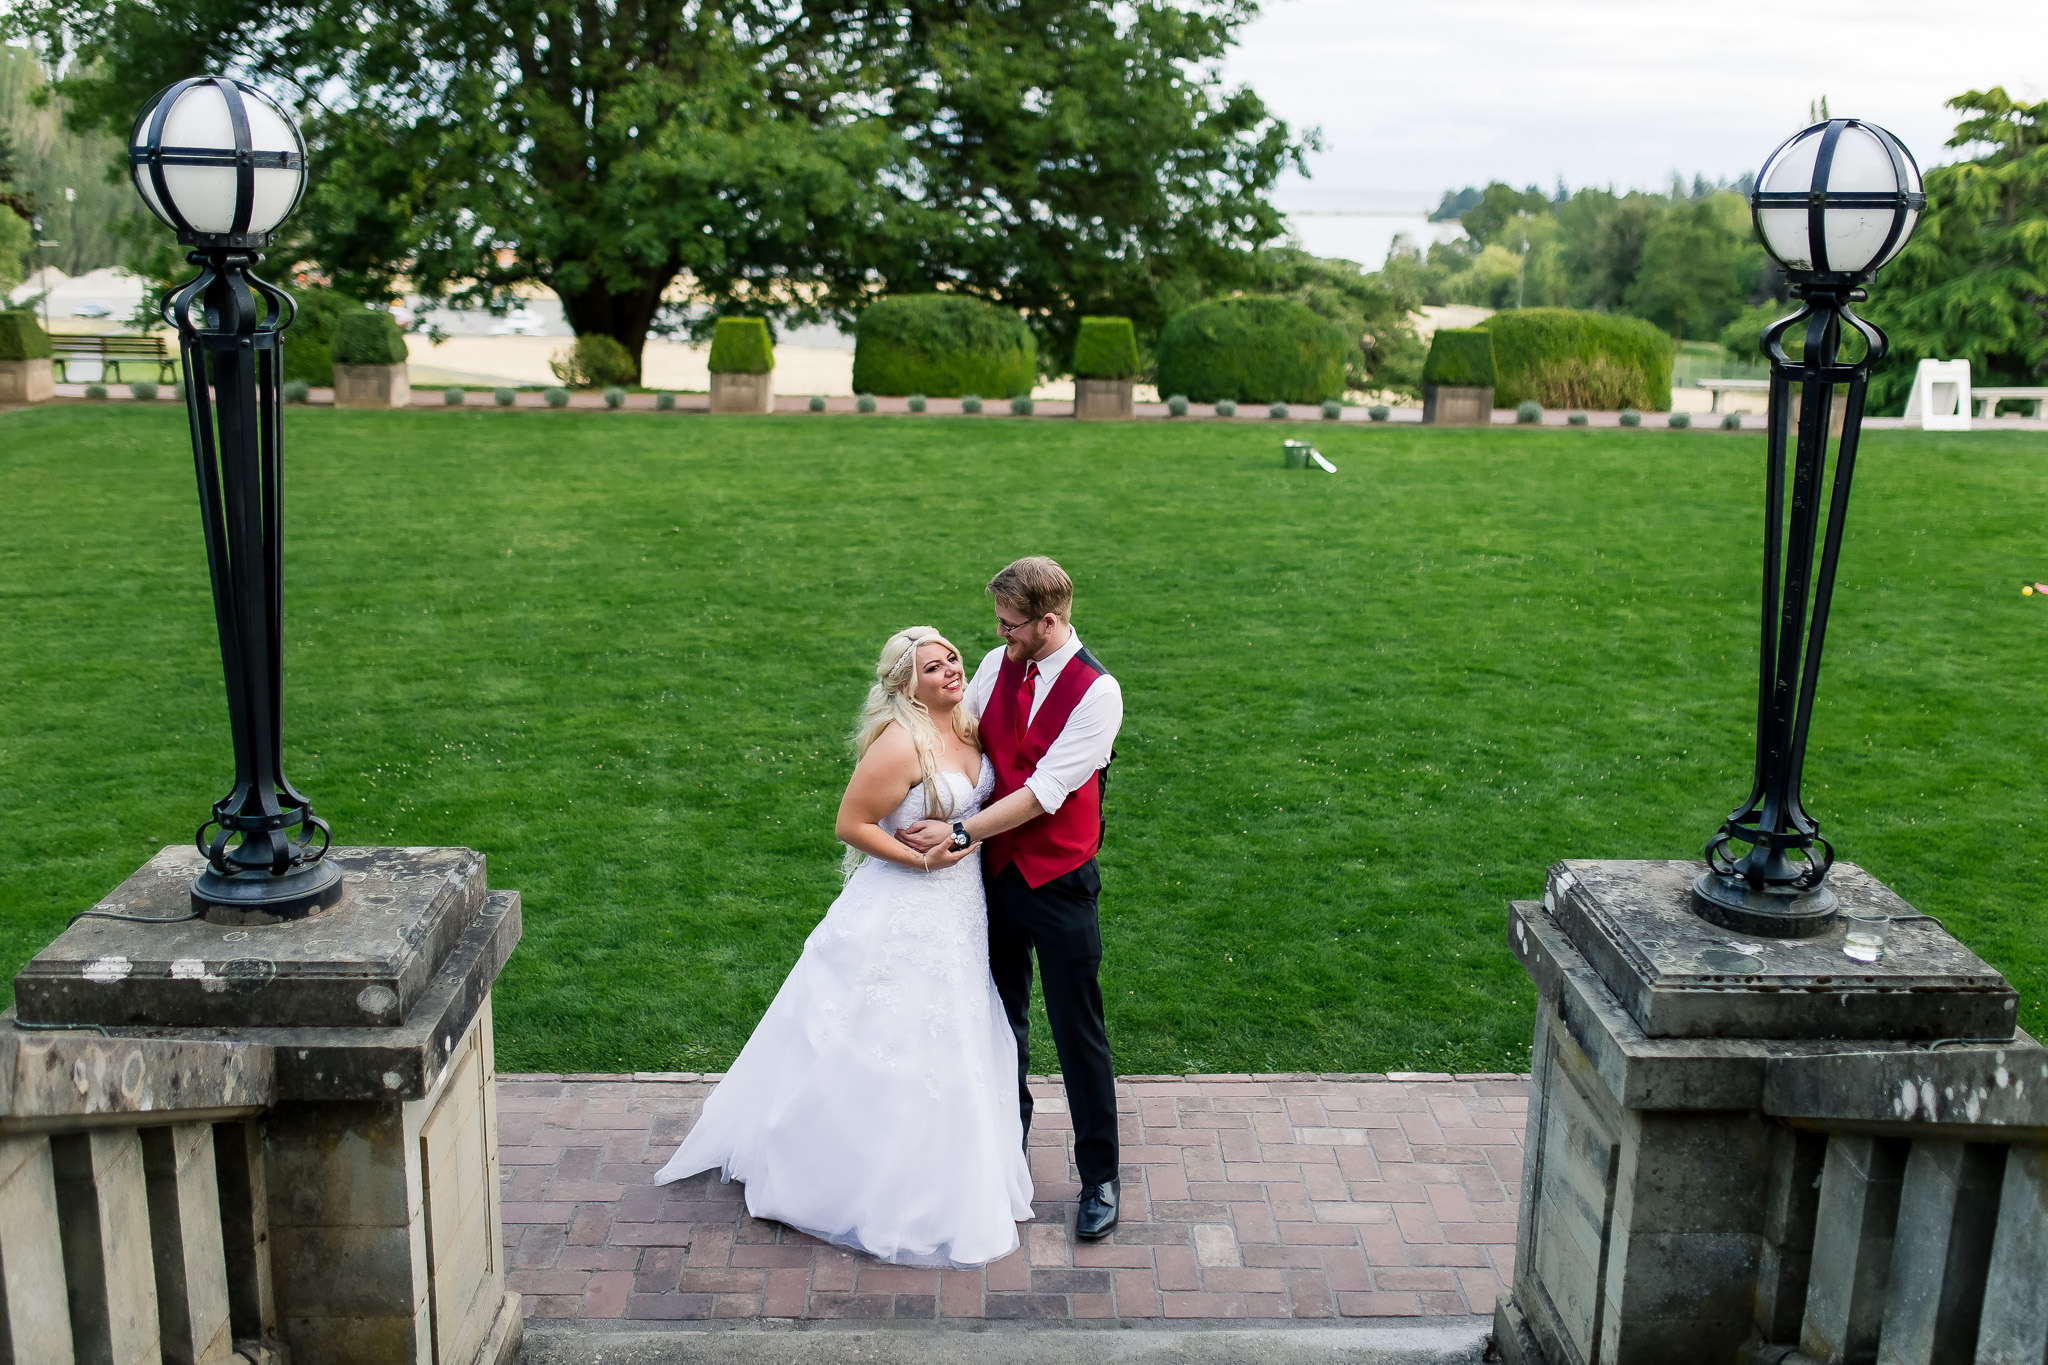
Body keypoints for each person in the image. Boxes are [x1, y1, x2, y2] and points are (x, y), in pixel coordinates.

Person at [654, 627, 1032, 1268]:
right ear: (904, 685)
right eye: (931, 667)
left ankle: (942, 1168)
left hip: (960, 912)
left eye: (952, 660)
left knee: (953, 1035)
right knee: (889, 1033)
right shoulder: (898, 744)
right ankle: (844, 1173)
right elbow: (850, 825)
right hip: (906, 908)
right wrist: (922, 865)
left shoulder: (966, 729)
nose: (948, 671)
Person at [898, 557, 1125, 1241]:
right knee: (1001, 1028)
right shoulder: (1000, 665)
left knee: (1077, 1031)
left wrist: (960, 827)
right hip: (991, 881)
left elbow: (1042, 793)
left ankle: (1101, 1177)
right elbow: (962, 732)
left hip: (1058, 885)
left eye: (1010, 623)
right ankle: (1005, 1161)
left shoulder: (1097, 693)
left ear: (1049, 621)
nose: (999, 634)